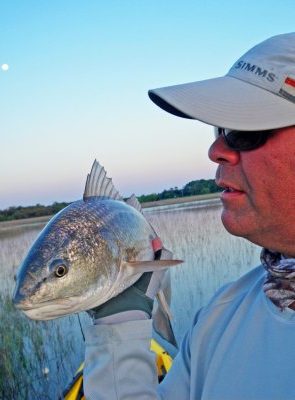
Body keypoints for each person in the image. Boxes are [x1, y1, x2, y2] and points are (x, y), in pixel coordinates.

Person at [83, 32, 295, 399]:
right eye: (221, 129)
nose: (216, 150)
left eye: (246, 130)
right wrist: (120, 326)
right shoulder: (219, 318)